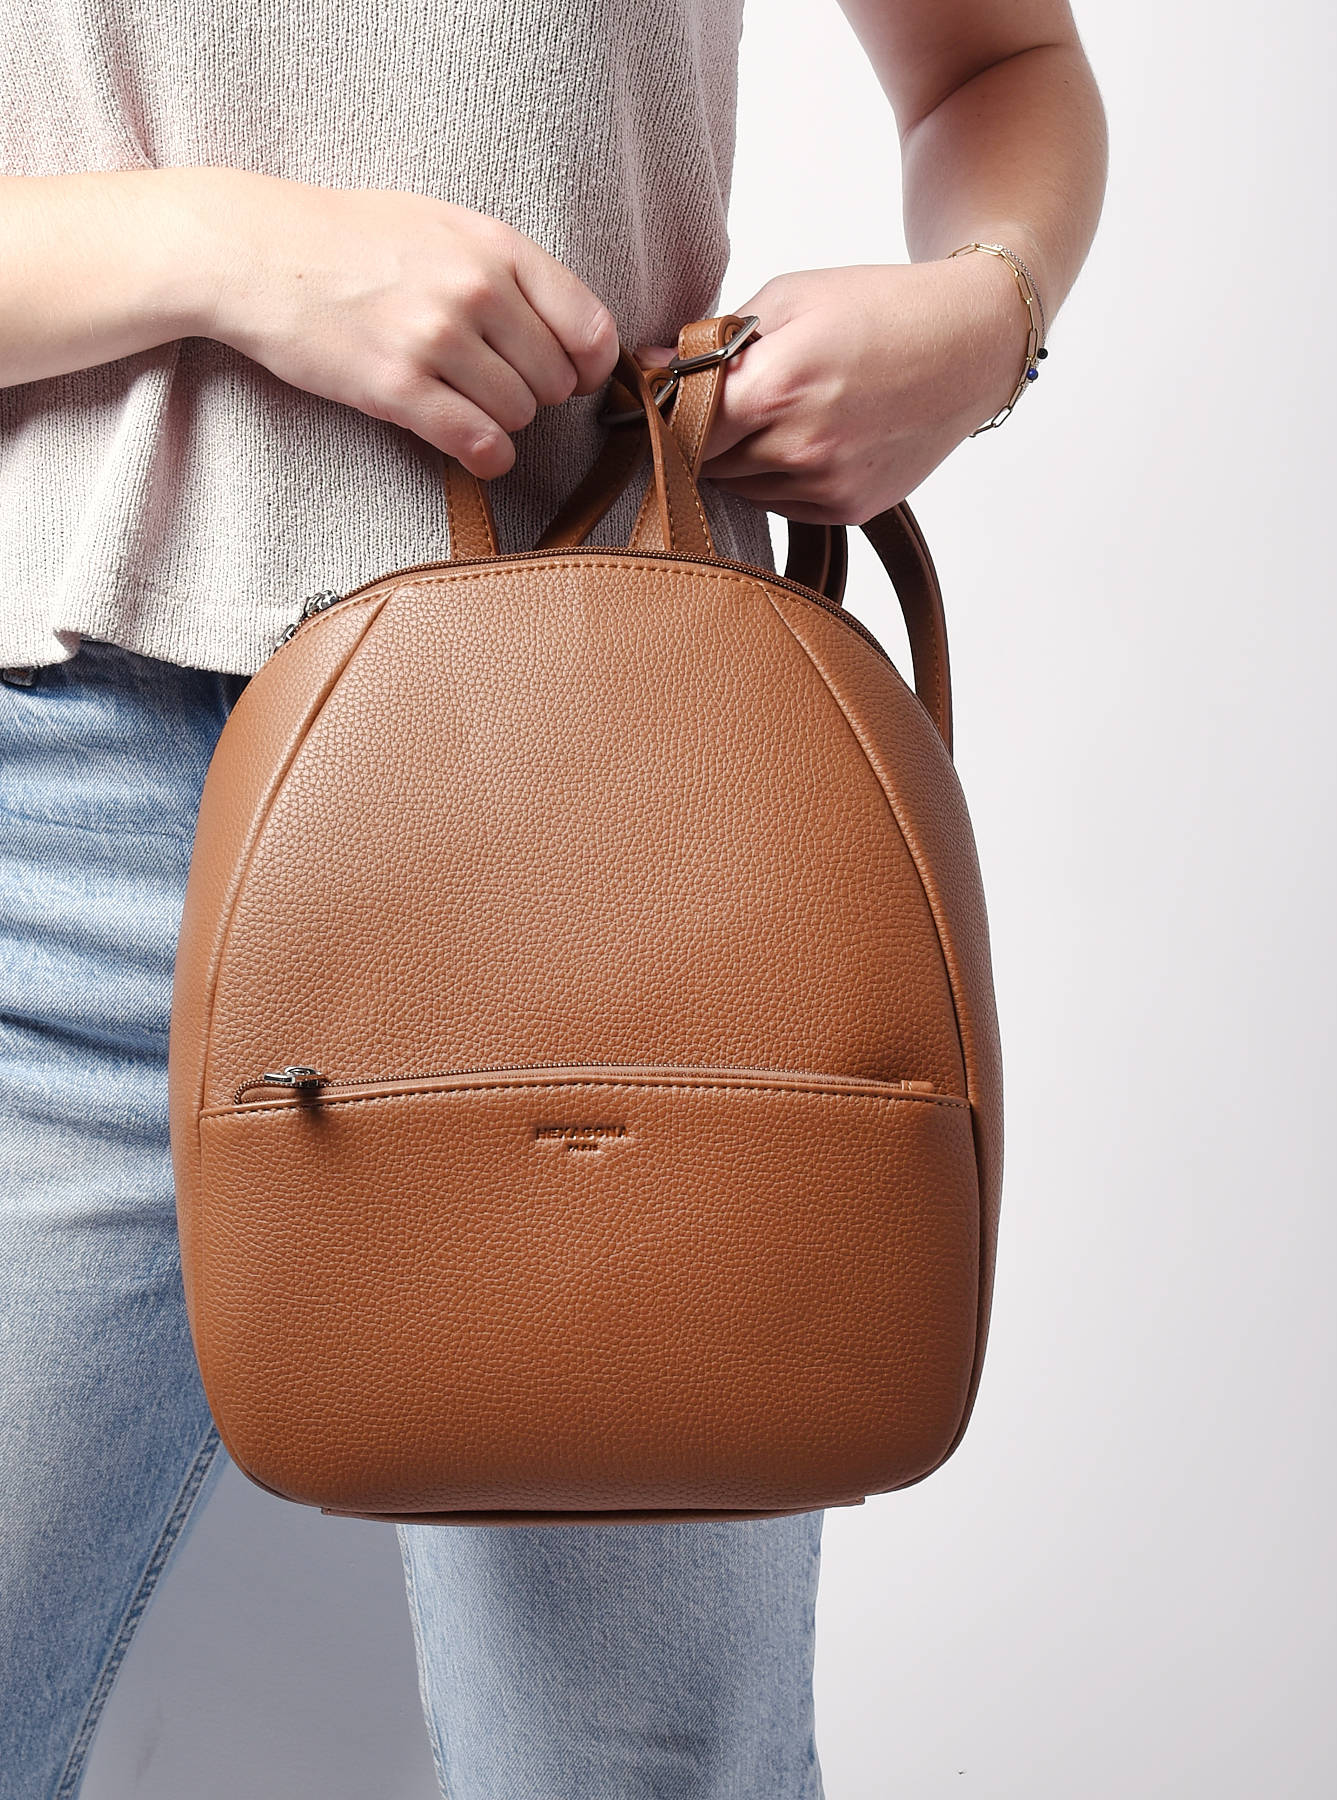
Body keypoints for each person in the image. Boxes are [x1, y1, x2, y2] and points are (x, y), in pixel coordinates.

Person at [0, 1, 1106, 1793]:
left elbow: (998, 65)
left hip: (628, 830)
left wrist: (983, 316)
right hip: (57, 831)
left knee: (635, 1772)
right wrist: (220, 247)